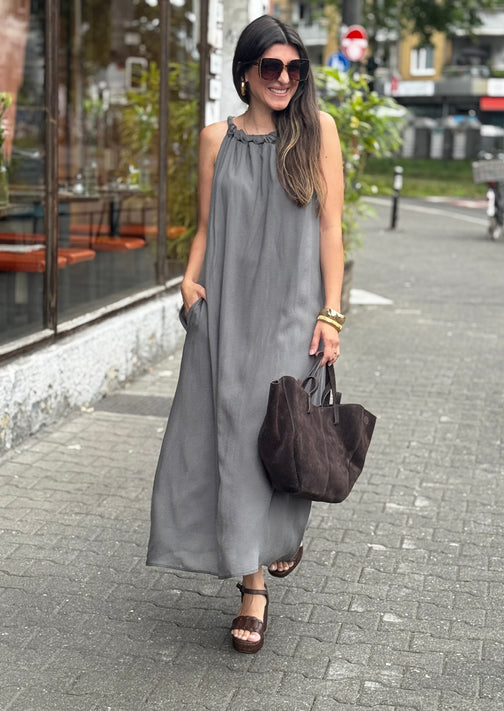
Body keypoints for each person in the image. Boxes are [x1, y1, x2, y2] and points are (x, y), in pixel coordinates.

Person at [147, 14, 344, 654]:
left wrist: (331, 313)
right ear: (246, 73)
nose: (284, 78)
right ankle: (253, 585)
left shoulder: (318, 131)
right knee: (231, 433)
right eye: (271, 67)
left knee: (276, 430)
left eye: (294, 68)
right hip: (226, 310)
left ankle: (278, 538)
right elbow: (206, 226)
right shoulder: (215, 139)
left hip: (292, 314)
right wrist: (188, 280)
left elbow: (331, 229)